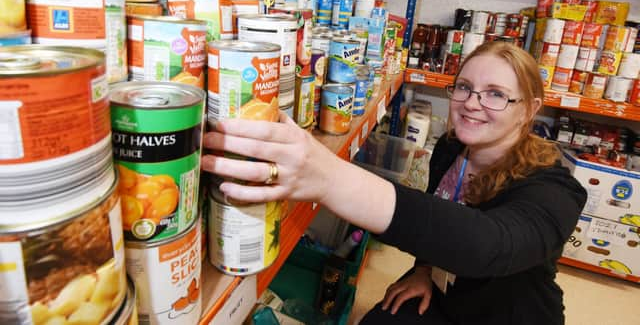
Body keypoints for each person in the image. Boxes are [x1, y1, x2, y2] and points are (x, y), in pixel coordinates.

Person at [202, 41, 587, 324]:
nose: (471, 103)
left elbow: (486, 245)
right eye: (465, 87)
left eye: (496, 95)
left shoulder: (555, 189)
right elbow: (442, 215)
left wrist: (331, 178)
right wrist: (423, 269)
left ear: (530, 109)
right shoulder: (452, 148)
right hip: (441, 293)